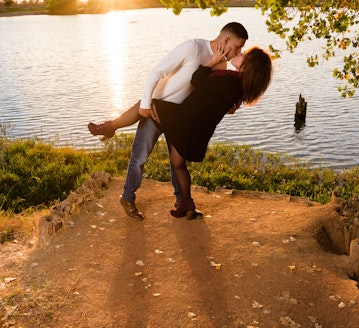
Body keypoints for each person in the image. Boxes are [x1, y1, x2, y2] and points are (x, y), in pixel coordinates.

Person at [87, 22, 248, 220]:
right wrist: (146, 104)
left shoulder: (221, 65)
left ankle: (182, 202)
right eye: (238, 46)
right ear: (225, 40)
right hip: (157, 110)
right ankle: (127, 198)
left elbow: (206, 97)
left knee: (177, 163)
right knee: (140, 158)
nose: (239, 51)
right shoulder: (193, 47)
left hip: (180, 116)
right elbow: (157, 71)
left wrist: (227, 106)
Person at [153, 44, 273, 218]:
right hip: (198, 127)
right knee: (177, 162)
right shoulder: (237, 85)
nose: (239, 52)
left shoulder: (231, 81)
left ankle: (111, 126)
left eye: (244, 54)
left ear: (249, 65)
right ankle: (187, 204)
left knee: (148, 105)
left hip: (189, 122)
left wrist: (211, 61)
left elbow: (197, 80)